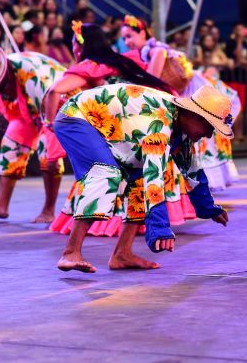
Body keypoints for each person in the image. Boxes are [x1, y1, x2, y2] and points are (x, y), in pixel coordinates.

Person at [53, 83, 231, 273]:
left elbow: (192, 170)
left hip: (104, 126)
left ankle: (122, 253)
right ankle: (70, 252)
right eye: (209, 127)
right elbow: (154, 179)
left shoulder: (180, 124)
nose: (209, 134)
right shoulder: (159, 126)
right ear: (195, 115)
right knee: (106, 173)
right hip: (75, 117)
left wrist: (209, 209)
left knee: (137, 179)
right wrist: (160, 227)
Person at [45, 22, 196, 237]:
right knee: (142, 171)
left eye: (73, 44)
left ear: (81, 44)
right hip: (155, 120)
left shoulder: (91, 65)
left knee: (109, 171)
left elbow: (54, 90)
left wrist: (50, 123)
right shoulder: (122, 61)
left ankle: (93, 236)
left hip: (124, 128)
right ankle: (141, 230)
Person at [121, 15, 241, 192]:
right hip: (178, 92)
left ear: (142, 34)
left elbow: (151, 81)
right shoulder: (147, 52)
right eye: (124, 38)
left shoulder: (156, 51)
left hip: (189, 91)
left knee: (199, 132)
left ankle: (202, 183)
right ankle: (197, 184)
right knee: (193, 137)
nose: (126, 41)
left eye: (129, 36)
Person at [0, 46, 67, 222]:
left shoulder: (30, 75)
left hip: (57, 104)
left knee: (47, 154)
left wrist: (54, 154)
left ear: (5, 75)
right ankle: (1, 206)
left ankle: (49, 210)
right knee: (11, 144)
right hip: (28, 109)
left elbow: (51, 116)